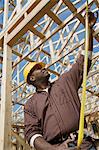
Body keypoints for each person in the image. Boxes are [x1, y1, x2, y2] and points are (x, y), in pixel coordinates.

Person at [24, 12, 97, 150]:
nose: (44, 68)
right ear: (32, 78)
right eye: (38, 68)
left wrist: (88, 30)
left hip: (84, 144)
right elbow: (32, 135)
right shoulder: (30, 105)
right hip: (56, 147)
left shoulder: (65, 82)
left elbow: (83, 62)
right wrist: (54, 149)